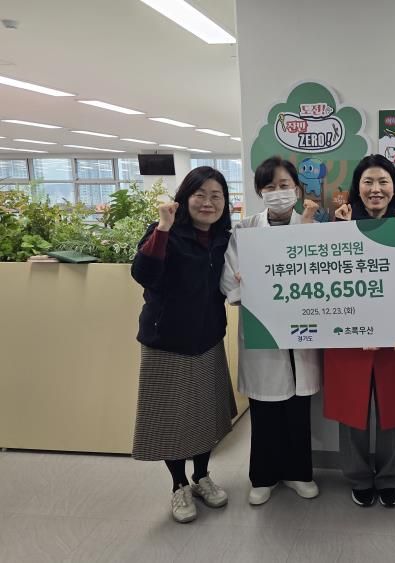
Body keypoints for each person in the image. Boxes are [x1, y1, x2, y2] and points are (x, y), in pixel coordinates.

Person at [131, 166, 237, 524]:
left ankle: (202, 476)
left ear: (225, 202)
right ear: (184, 198)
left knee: (205, 413)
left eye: (216, 196)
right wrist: (163, 227)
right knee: (171, 418)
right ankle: (179, 485)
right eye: (200, 194)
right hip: (167, 340)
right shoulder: (165, 232)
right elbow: (143, 274)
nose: (208, 202)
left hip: (207, 337)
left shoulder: (224, 238)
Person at [221, 156, 322, 506]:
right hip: (263, 332)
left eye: (284, 185)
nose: (278, 192)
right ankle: (263, 477)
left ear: (297, 189)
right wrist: (244, 284)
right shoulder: (245, 230)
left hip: (302, 333)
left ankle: (299, 474)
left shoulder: (313, 227)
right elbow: (230, 281)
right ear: (259, 192)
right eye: (269, 186)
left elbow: (321, 274)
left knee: (298, 412)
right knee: (264, 413)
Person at [325, 154, 395, 508]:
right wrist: (339, 230)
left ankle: (391, 476)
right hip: (350, 337)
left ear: (394, 188)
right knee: (353, 410)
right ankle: (359, 476)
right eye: (368, 182)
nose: (375, 189)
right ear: (357, 188)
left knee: (394, 409)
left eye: (383, 181)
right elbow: (326, 282)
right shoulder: (338, 226)